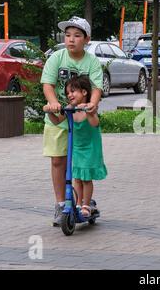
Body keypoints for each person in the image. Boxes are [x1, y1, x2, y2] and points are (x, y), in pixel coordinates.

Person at [41, 16, 103, 226]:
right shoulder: (56, 58)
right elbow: (48, 84)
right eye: (67, 35)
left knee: (81, 163)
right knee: (58, 161)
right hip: (59, 115)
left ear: (86, 39)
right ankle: (61, 204)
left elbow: (96, 87)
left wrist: (92, 104)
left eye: (77, 36)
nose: (71, 39)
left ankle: (84, 200)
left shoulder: (92, 61)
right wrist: (53, 103)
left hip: (82, 116)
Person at [43, 76, 107, 218]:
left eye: (73, 91)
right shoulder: (70, 109)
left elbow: (95, 123)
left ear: (84, 92)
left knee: (86, 178)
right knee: (77, 177)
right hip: (77, 148)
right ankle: (78, 204)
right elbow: (57, 121)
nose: (69, 95)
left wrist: (89, 110)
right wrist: (49, 112)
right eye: (67, 93)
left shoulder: (89, 109)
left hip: (90, 148)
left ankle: (86, 204)